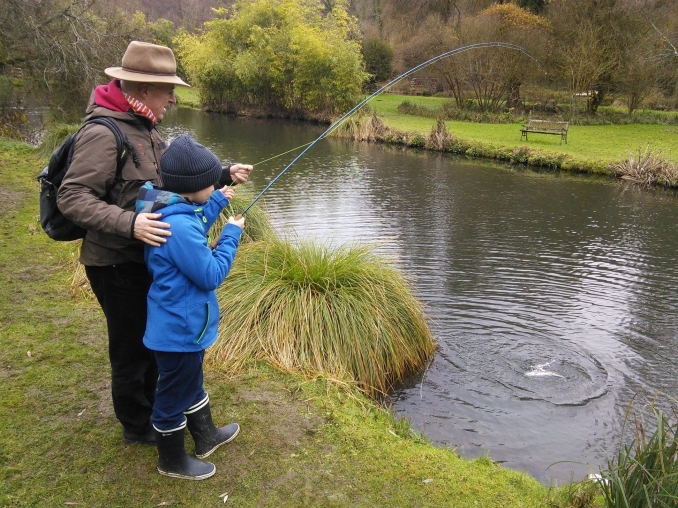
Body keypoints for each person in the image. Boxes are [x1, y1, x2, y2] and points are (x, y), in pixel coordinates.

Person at [57, 41, 252, 445]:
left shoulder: (145, 128)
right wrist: (131, 224)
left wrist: (222, 174)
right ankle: (139, 427)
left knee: (154, 343)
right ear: (143, 89)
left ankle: (161, 416)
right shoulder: (104, 132)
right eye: (167, 89)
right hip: (113, 262)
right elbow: (72, 197)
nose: (173, 97)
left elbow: (175, 181)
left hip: (145, 260)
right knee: (131, 348)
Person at [135, 134, 245, 480]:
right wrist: (230, 235)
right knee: (172, 395)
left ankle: (206, 436)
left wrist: (216, 203)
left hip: (183, 325)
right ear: (193, 186)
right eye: (212, 183)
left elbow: (194, 218)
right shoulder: (179, 226)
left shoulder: (172, 208)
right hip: (179, 330)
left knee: (190, 381)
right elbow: (211, 274)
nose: (216, 184)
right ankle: (170, 459)